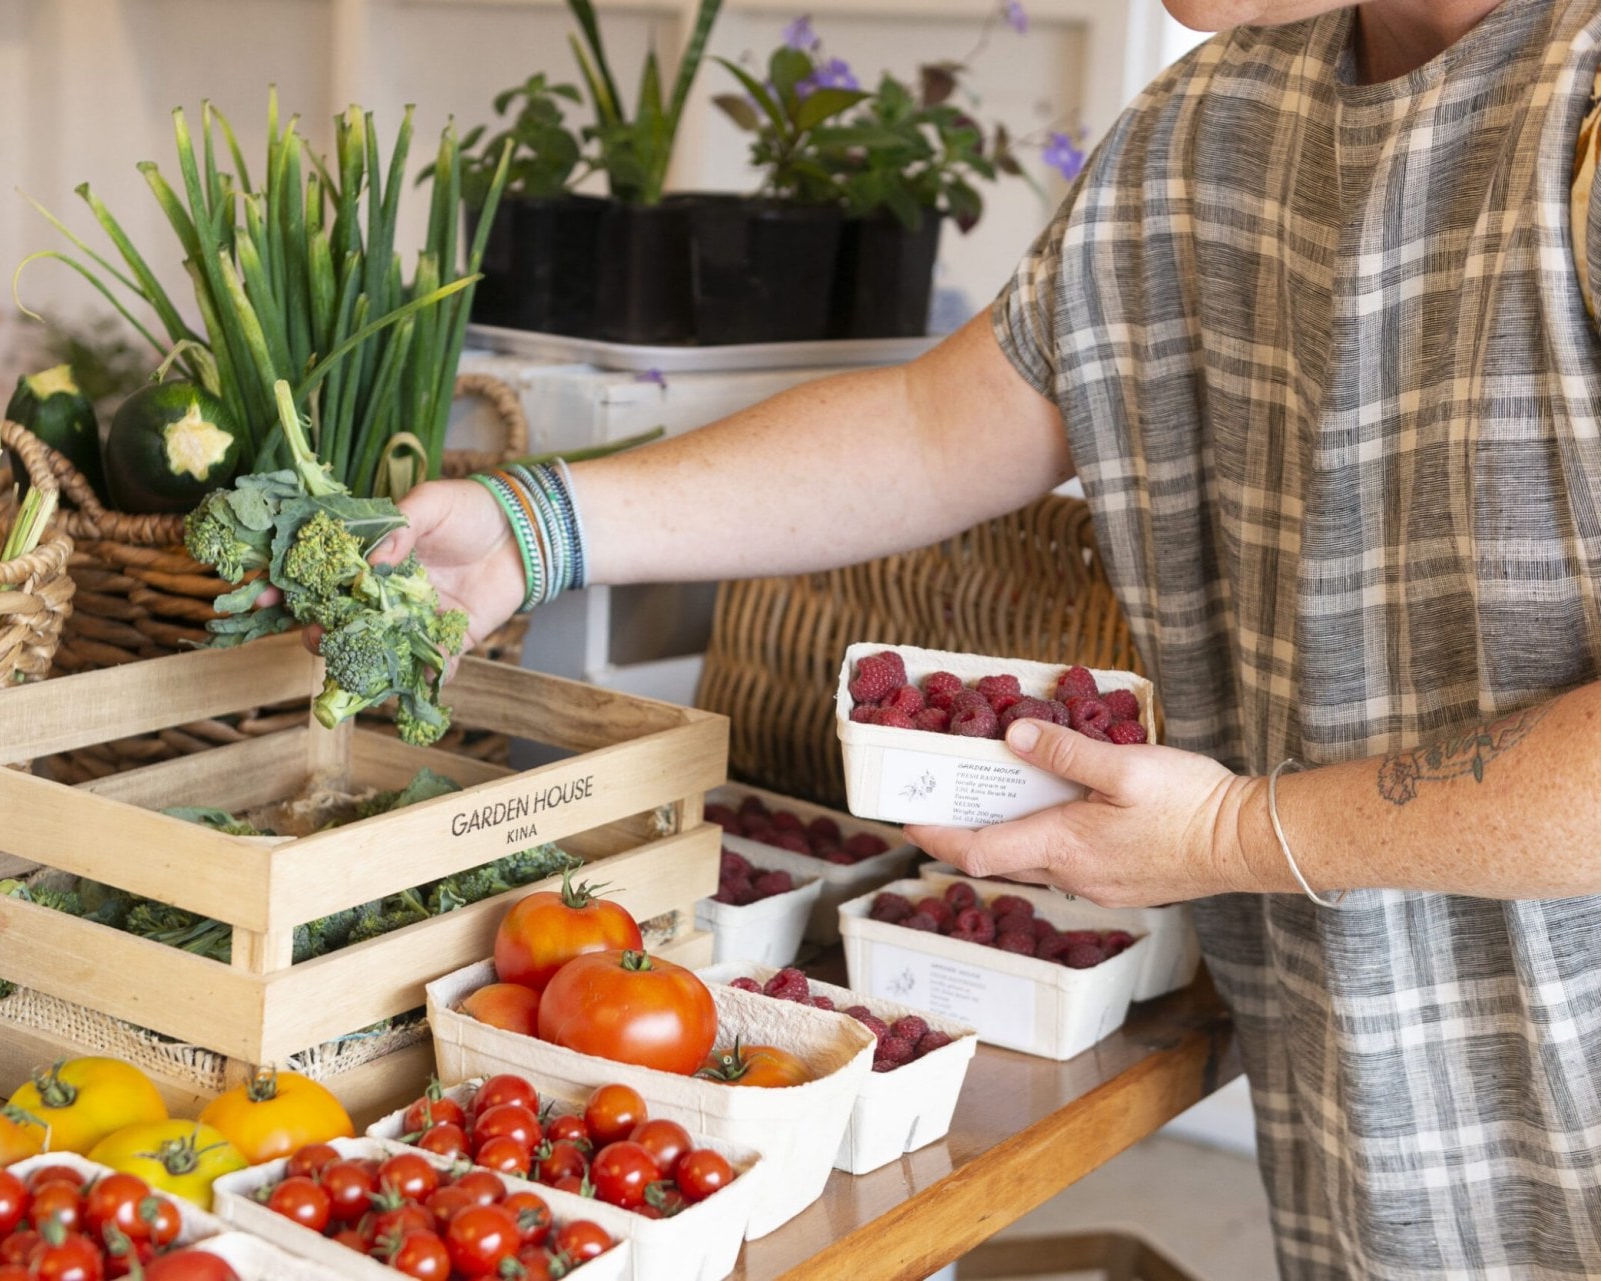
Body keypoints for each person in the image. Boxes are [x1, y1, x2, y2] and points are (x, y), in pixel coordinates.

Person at [311, 1, 1601, 1275]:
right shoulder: (1213, 118)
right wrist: (539, 524)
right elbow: (940, 429)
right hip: (1368, 1106)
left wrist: (1230, 836)